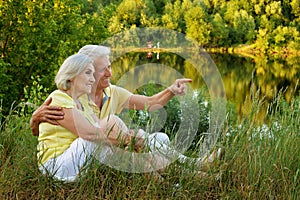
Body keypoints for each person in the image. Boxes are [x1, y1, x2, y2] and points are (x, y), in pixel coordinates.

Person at [31, 45, 222, 179]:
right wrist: (34, 119)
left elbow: (150, 103)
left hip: (98, 150)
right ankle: (187, 171)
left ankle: (185, 174)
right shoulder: (72, 96)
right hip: (81, 155)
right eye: (101, 69)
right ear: (83, 69)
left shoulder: (112, 92)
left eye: (109, 67)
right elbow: (50, 131)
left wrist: (171, 91)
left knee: (159, 139)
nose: (109, 73)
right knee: (125, 136)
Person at [37, 53, 146, 182]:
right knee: (111, 123)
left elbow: (100, 129)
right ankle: (148, 168)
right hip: (55, 165)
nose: (93, 80)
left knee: (127, 144)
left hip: (77, 158)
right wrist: (129, 139)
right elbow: (88, 133)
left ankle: (159, 178)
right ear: (72, 75)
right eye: (88, 73)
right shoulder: (58, 98)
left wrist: (128, 138)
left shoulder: (83, 103)